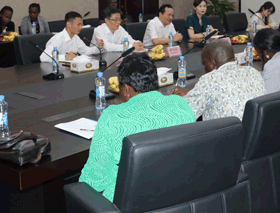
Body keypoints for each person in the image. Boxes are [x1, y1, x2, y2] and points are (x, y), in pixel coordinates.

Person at [78, 54, 195, 202]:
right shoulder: (180, 104)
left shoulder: (112, 117)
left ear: (126, 89)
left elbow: (95, 180)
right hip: (178, 195)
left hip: (126, 203)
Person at [171, 40, 266, 121]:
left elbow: (182, 113)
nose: (204, 68)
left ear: (212, 64)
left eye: (204, 64)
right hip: (257, 133)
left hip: (227, 136)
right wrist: (192, 94)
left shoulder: (210, 79)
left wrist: (173, 99)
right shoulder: (253, 72)